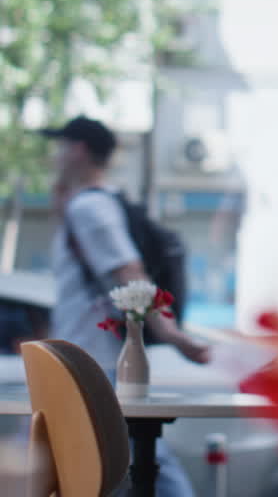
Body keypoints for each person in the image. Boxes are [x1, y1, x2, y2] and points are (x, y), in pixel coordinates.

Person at [41, 115, 211, 497]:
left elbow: (129, 272)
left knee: (143, 460)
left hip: (89, 358)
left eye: (60, 146)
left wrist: (170, 333)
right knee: (115, 459)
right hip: (88, 355)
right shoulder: (90, 205)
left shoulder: (91, 209)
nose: (54, 156)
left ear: (78, 150)